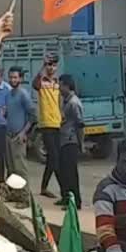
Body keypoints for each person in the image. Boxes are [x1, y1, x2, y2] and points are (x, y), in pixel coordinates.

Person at [34, 53, 62, 199]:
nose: (51, 68)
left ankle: (49, 188)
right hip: (46, 124)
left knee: (55, 159)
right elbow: (34, 85)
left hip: (58, 123)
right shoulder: (41, 81)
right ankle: (46, 187)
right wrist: (42, 67)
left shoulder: (58, 82)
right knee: (54, 157)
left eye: (53, 65)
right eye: (49, 65)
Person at [6, 66, 34, 204]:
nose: (12, 80)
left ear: (21, 79)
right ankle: (15, 194)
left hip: (18, 136)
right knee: (12, 169)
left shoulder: (23, 95)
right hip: (9, 135)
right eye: (11, 77)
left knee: (21, 169)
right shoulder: (9, 94)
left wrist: (23, 132)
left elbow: (33, 116)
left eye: (15, 77)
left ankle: (25, 197)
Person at [56, 74, 84, 209]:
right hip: (63, 140)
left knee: (71, 174)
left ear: (67, 86)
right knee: (64, 172)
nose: (59, 88)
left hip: (71, 141)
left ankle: (75, 202)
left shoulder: (74, 103)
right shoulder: (65, 100)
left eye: (61, 85)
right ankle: (66, 197)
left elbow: (80, 126)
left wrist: (81, 144)